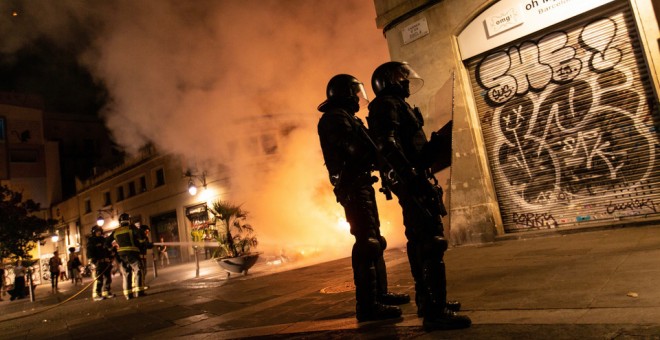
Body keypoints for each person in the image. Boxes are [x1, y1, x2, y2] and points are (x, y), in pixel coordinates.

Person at [367, 61, 471, 331]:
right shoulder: (386, 104)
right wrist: (411, 177)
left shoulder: (394, 104)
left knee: (420, 242)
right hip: (413, 183)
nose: (406, 82)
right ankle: (436, 310)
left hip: (415, 179)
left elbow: (408, 146)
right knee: (432, 242)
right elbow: (387, 145)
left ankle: (428, 300)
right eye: (402, 77)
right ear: (389, 80)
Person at [317, 74, 410, 322]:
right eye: (354, 93)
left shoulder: (347, 117)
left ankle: (380, 295)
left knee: (375, 240)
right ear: (345, 94)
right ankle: (368, 305)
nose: (359, 98)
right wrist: (377, 148)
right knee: (366, 242)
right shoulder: (334, 118)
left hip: (361, 182)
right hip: (352, 184)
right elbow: (354, 149)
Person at [105, 213, 147, 299]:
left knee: (126, 273)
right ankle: (139, 292)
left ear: (120, 222)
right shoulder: (131, 228)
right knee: (138, 270)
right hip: (132, 254)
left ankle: (128, 295)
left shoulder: (116, 231)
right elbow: (142, 237)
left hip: (121, 256)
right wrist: (142, 244)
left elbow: (106, 243)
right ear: (129, 220)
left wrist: (112, 249)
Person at [87, 225, 116, 301]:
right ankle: (97, 294)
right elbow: (89, 253)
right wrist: (93, 262)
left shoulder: (104, 240)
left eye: (99, 231)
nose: (99, 233)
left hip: (106, 262)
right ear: (94, 232)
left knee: (108, 278)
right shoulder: (91, 241)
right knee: (99, 279)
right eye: (97, 231)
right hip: (98, 263)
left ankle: (106, 291)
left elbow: (107, 249)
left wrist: (111, 254)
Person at [137, 223, 154, 294]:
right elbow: (144, 245)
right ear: (143, 231)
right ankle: (140, 285)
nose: (148, 233)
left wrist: (151, 245)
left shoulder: (145, 237)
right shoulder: (140, 236)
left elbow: (147, 246)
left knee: (144, 272)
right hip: (140, 257)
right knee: (141, 272)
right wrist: (150, 244)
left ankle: (142, 284)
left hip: (143, 257)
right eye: (147, 231)